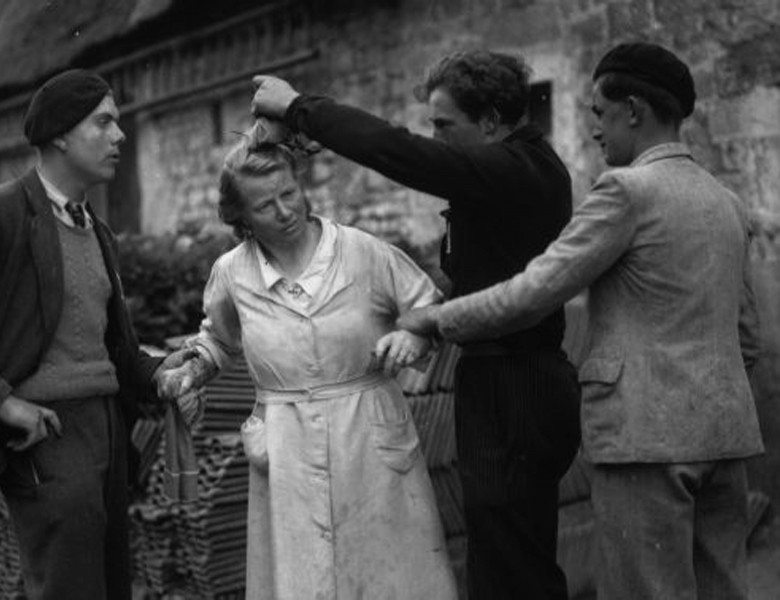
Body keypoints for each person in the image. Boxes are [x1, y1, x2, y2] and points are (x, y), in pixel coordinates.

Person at [399, 42, 764, 600]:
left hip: (644, 439)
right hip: (726, 434)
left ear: (634, 111)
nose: (594, 129)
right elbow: (746, 335)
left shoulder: (624, 191)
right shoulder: (725, 201)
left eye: (598, 112)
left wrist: (432, 319)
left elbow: (535, 291)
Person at [252, 50, 580, 599]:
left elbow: (398, 152)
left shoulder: (516, 171)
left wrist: (298, 107)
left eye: (445, 126)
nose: (437, 139)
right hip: (510, 383)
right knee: (509, 558)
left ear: (493, 122)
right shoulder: (511, 174)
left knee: (511, 570)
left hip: (515, 388)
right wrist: (423, 327)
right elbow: (482, 275)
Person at [0, 69, 189, 600]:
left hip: (109, 431)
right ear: (59, 135)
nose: (120, 136)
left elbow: (110, 351)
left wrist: (161, 371)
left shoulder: (94, 229)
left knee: (113, 588)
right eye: (104, 122)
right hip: (48, 439)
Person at [157, 122, 458, 600]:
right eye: (264, 205)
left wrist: (411, 337)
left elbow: (429, 312)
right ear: (241, 218)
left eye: (289, 193)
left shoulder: (362, 253)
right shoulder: (232, 274)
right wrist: (191, 371)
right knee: (304, 579)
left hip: (369, 437)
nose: (284, 211)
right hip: (287, 445)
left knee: (392, 577)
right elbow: (217, 341)